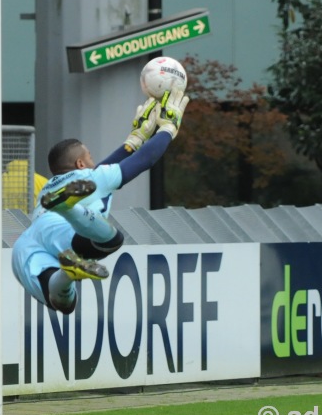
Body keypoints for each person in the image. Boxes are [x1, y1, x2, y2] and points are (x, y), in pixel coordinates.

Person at [12, 88, 190, 314]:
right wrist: (167, 129)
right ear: (79, 164)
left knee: (64, 302)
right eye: (90, 157)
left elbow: (106, 166)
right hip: (64, 227)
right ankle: (69, 210)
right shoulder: (94, 178)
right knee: (111, 241)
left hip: (27, 243)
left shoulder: (48, 187)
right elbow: (145, 160)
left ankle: (68, 271)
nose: (94, 161)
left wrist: (134, 140)